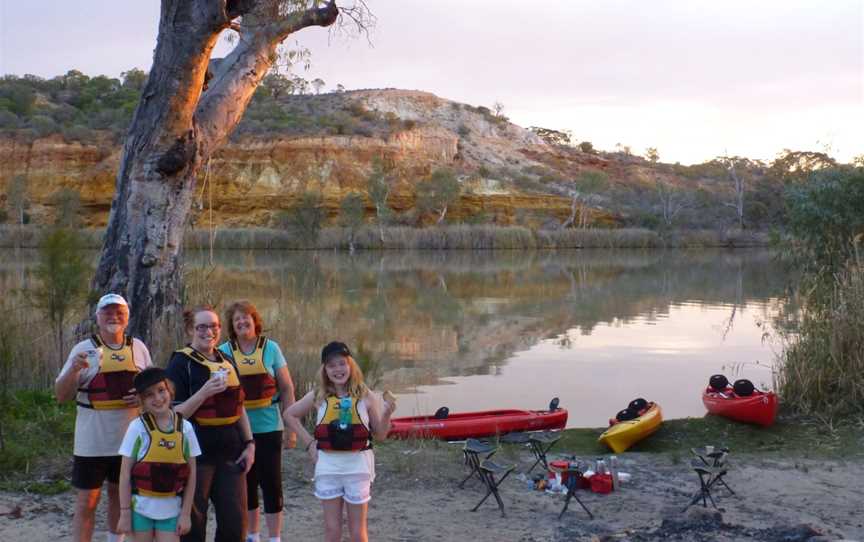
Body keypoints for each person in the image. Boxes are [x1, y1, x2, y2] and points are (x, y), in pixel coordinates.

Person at [55, 293, 153, 542]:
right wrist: (75, 370)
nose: (114, 317)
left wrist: (142, 399)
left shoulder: (139, 348)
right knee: (87, 501)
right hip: (92, 442)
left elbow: (155, 393)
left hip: (129, 441)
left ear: (127, 318)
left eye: (119, 312)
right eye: (107, 312)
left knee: (119, 498)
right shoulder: (83, 350)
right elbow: (62, 395)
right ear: (98, 318)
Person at [283, 341, 396, 542]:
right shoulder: (318, 395)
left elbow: (380, 435)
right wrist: (309, 443)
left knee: (357, 532)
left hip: (358, 468)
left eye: (342, 363)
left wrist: (387, 414)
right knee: (332, 531)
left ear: (350, 365)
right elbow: (289, 415)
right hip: (328, 467)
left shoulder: (365, 395)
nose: (338, 369)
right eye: (331, 365)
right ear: (324, 370)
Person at [165, 305, 256, 542]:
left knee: (235, 526)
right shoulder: (180, 363)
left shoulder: (226, 359)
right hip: (196, 456)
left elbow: (239, 407)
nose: (209, 332)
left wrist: (249, 443)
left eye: (214, 326)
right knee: (194, 525)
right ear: (190, 330)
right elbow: (173, 416)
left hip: (231, 454)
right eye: (202, 326)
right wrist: (203, 393)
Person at [217, 301, 296, 542]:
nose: (242, 322)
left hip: (269, 426)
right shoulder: (223, 351)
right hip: (239, 429)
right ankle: (253, 535)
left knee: (271, 484)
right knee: (246, 484)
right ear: (232, 325)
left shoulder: (271, 348)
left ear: (255, 320)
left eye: (246, 317)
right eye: (237, 319)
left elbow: (287, 387)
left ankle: (274, 537)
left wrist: (290, 430)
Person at [117, 367, 201, 542]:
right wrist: (125, 513)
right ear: (141, 400)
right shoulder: (137, 428)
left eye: (161, 390)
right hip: (140, 510)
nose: (157, 398)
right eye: (149, 395)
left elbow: (192, 475)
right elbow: (124, 474)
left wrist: (185, 514)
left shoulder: (185, 428)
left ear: (169, 390)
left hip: (172, 511)